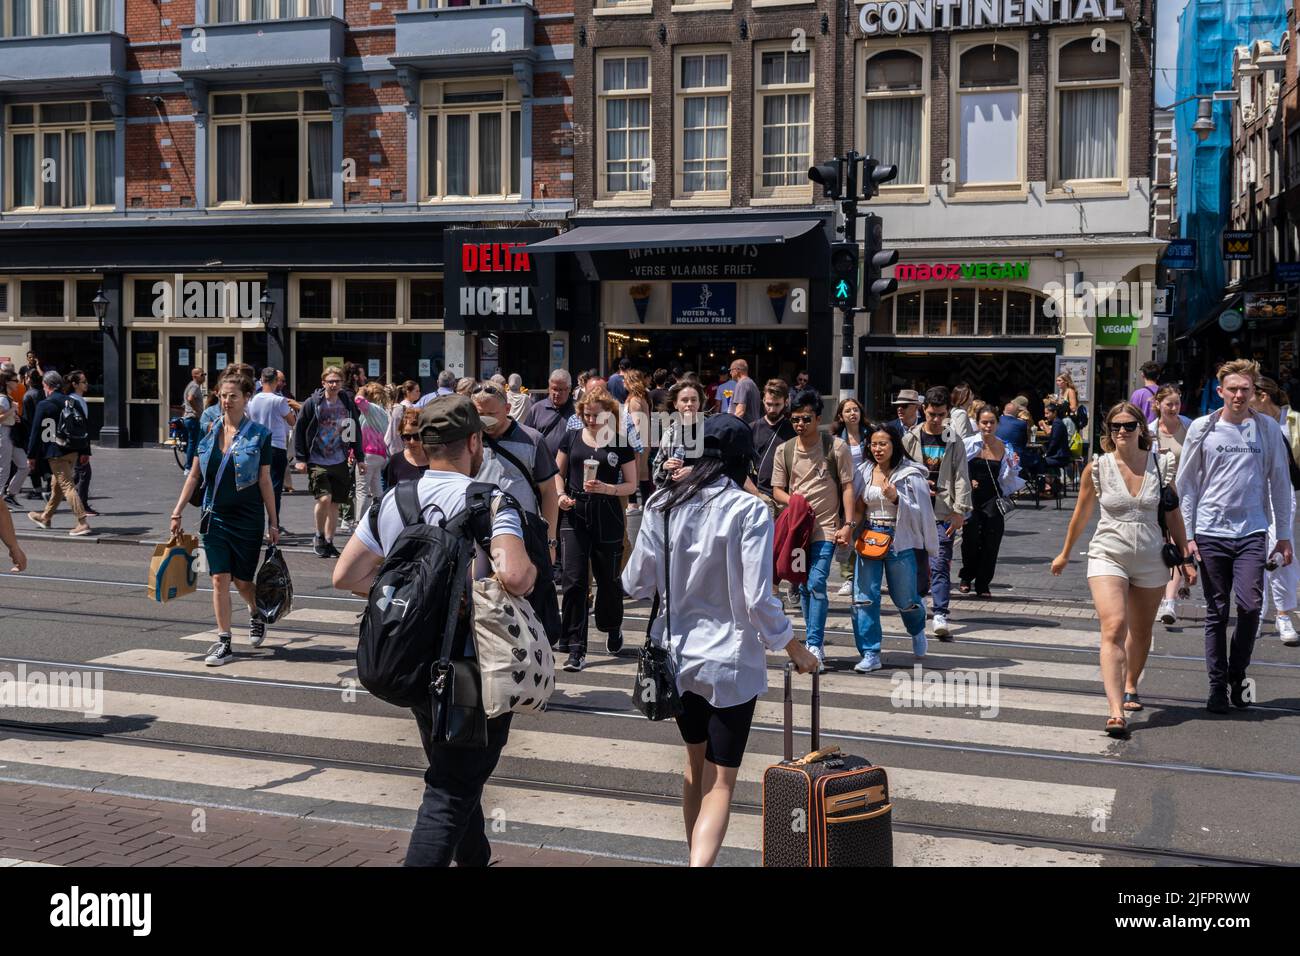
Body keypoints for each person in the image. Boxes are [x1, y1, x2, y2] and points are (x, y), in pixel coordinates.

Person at [332, 396, 534, 868]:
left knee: (454, 768)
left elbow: (346, 576)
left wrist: (415, 606)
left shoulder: (394, 499)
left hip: (415, 661)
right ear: (473, 442)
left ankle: (475, 859)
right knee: (452, 785)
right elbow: (518, 576)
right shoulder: (487, 500)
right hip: (471, 669)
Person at [622, 415, 818, 866]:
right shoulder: (749, 510)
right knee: (722, 780)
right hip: (729, 661)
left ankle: (695, 857)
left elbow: (634, 583)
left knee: (694, 766)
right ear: (741, 462)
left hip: (675, 654)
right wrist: (795, 648)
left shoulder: (660, 504)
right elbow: (757, 599)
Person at [1052, 402, 1194, 737]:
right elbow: (1081, 515)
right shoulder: (1097, 467)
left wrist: (1186, 558)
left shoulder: (1162, 464)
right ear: (1108, 430)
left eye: (1128, 426)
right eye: (1115, 426)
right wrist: (1065, 553)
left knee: (1141, 631)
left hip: (1151, 557)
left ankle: (1131, 683)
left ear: (1141, 428)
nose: (1121, 432)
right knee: (1114, 626)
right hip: (1108, 554)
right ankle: (1115, 711)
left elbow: (1173, 514)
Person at [1177, 359, 1294, 713]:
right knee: (1216, 611)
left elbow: (1280, 483)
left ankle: (1236, 673)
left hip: (1251, 530)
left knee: (1250, 606)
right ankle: (1216, 687)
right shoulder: (1202, 428)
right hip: (1210, 531)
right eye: (1233, 389)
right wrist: (1187, 536)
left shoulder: (1267, 430)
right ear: (1220, 392)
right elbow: (1187, 485)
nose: (1239, 395)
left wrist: (1284, 535)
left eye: (1246, 389)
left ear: (1254, 392)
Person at [170, 371, 279, 666]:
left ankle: (256, 613)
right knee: (219, 578)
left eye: (233, 396)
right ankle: (224, 641)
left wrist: (273, 520)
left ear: (246, 399)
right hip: (214, 516)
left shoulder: (260, 435)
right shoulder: (208, 430)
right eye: (222, 396)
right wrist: (177, 510)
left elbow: (265, 480)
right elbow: (194, 474)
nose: (227, 401)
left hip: (248, 518)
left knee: (243, 582)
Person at [771, 388, 855, 671]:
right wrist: (792, 500)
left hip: (826, 529)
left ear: (818, 418)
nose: (800, 425)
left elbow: (847, 487)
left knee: (817, 582)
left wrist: (848, 525)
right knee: (804, 585)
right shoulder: (786, 450)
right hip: (798, 529)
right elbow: (777, 490)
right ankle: (811, 639)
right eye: (795, 419)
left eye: (806, 419)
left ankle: (815, 642)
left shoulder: (836, 447)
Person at [555, 387, 638, 670]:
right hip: (575, 513)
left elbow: (632, 484)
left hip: (608, 513)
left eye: (597, 416)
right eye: (587, 415)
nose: (591, 420)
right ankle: (576, 648)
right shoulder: (571, 438)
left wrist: (607, 488)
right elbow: (558, 473)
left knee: (608, 581)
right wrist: (560, 496)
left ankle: (612, 625)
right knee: (575, 581)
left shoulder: (619, 442)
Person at [850, 423, 939, 671]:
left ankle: (916, 627)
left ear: (894, 445)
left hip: (900, 540)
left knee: (906, 598)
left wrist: (896, 498)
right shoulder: (864, 471)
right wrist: (848, 528)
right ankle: (870, 652)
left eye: (883, 444)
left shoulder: (910, 474)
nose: (877, 449)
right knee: (864, 598)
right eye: (873, 444)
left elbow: (922, 513)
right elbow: (858, 508)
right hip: (870, 537)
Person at [902, 386, 970, 639]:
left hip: (943, 512)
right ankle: (919, 601)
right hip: (916, 511)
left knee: (940, 562)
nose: (936, 419)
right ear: (923, 410)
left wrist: (959, 510)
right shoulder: (910, 439)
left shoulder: (953, 439)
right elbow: (900, 471)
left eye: (941, 414)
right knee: (918, 564)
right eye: (932, 414)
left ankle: (940, 611)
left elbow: (962, 475)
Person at [472, 381, 559, 572]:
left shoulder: (533, 440)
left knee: (516, 590)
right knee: (477, 593)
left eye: (491, 414)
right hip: (477, 532)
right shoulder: (470, 439)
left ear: (507, 408)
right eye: (480, 414)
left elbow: (549, 493)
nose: (485, 420)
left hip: (519, 532)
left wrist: (550, 541)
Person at [294, 365, 364, 558]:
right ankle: (318, 536)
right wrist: (300, 458)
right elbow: (300, 430)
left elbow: (355, 429)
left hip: (340, 458)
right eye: (330, 381)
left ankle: (329, 541)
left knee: (335, 504)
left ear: (342, 383)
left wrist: (360, 457)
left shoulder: (347, 402)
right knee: (324, 499)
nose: (334, 384)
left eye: (337, 381)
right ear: (323, 382)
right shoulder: (313, 403)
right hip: (317, 459)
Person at [1251, 377, 1300, 646]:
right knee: (1254, 549)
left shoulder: (1294, 422)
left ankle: (1282, 615)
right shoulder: (1247, 423)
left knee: (1282, 551)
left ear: (1263, 395)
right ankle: (1256, 612)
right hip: (1254, 492)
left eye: (1248, 393)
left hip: (1285, 492)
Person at [959, 405, 1024, 598]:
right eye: (984, 422)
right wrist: (967, 480)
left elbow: (1008, 476)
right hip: (970, 498)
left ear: (997, 424)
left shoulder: (1004, 446)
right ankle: (966, 576)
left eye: (992, 422)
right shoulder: (968, 444)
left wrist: (1014, 465)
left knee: (992, 540)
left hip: (992, 498)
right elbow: (957, 467)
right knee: (970, 539)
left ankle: (983, 582)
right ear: (977, 424)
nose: (988, 426)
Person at [25, 371, 91, 536]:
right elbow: (84, 426)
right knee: (57, 486)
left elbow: (35, 432)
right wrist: (85, 451)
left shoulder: (44, 404)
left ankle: (82, 521)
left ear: (47, 386)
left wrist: (31, 456)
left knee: (67, 486)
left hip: (55, 452)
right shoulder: (71, 401)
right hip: (73, 450)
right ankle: (45, 517)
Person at [1150, 384, 1194, 625]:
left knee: (1178, 546)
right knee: (1163, 547)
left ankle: (1169, 602)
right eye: (1169, 404)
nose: (1174, 408)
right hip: (1159, 497)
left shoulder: (1189, 427)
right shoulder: (1149, 431)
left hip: (1184, 497)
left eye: (1177, 403)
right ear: (1158, 405)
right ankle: (1163, 597)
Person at [247, 367, 296, 530]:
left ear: (262, 380)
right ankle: (273, 525)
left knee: (257, 486)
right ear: (275, 381)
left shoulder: (252, 400)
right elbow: (291, 421)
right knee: (274, 488)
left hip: (257, 445)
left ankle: (257, 524)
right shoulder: (279, 400)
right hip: (276, 446)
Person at [831, 397, 867, 596]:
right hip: (844, 490)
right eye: (848, 411)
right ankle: (848, 577)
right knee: (846, 530)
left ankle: (863, 576)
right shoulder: (835, 439)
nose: (853, 413)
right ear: (841, 416)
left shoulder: (870, 435)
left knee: (864, 532)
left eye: (856, 409)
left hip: (866, 488)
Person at [750, 379, 795, 512]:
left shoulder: (792, 430)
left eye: (777, 404)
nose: (772, 409)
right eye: (769, 404)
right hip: (755, 494)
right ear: (763, 400)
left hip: (782, 496)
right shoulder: (752, 428)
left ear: (786, 402)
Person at [652, 379, 705, 490]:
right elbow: (655, 473)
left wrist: (694, 471)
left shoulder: (711, 430)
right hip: (674, 497)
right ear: (675, 404)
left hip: (704, 497)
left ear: (699, 403)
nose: (689, 404)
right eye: (685, 400)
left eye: (694, 400)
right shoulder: (669, 433)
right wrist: (665, 466)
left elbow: (723, 468)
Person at [354, 382, 393, 523]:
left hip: (367, 454)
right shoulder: (383, 411)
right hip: (380, 454)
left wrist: (361, 391)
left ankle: (360, 521)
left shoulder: (371, 409)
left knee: (362, 489)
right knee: (377, 488)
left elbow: (358, 400)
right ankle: (380, 516)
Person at [521, 368, 576, 459]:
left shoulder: (578, 410)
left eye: (561, 390)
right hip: (542, 466)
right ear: (549, 388)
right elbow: (526, 438)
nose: (557, 393)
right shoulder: (536, 409)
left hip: (570, 467)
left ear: (569, 389)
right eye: (554, 389)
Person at [65, 371, 97, 517]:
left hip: (77, 443)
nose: (86, 384)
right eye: (83, 382)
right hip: (77, 444)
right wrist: (84, 449)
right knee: (84, 473)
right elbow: (78, 426)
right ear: (75, 384)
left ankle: (60, 496)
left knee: (78, 474)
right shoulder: (73, 400)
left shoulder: (79, 400)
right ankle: (82, 506)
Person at [623, 369, 653, 510]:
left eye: (625, 380)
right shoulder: (643, 398)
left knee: (633, 471)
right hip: (645, 438)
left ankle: (633, 502)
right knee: (643, 472)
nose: (623, 383)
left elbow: (636, 423)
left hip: (637, 439)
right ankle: (645, 501)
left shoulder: (634, 400)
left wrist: (633, 442)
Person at [0, 369, 30, 509]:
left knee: (25, 465)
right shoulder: (2, 399)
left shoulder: (9, 398)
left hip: (11, 435)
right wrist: (12, 411)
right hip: (4, 435)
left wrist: (15, 416)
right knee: (4, 469)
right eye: (15, 380)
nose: (18, 383)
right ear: (6, 382)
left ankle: (10, 495)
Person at [382, 407, 429, 490]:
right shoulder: (395, 461)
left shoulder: (436, 460)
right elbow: (391, 493)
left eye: (416, 436)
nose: (412, 441)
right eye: (406, 437)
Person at [1038, 401, 1073, 498]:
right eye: (1045, 413)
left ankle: (1046, 488)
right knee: (1043, 462)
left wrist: (1047, 454)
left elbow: (1054, 441)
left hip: (1060, 456)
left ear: (1054, 413)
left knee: (1040, 463)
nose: (1046, 416)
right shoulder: (1057, 422)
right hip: (1059, 454)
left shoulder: (1057, 423)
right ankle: (1053, 486)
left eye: (1047, 413)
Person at [182, 367, 206, 471]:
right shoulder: (195, 386)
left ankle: (189, 465)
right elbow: (190, 398)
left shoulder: (191, 385)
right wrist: (197, 411)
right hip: (193, 418)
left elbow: (186, 401)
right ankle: (189, 467)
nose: (204, 376)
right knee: (194, 442)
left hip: (189, 418)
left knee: (191, 442)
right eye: (202, 375)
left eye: (204, 374)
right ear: (195, 376)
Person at [728, 359, 761, 426]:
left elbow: (740, 412)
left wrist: (731, 427)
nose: (730, 373)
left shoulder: (742, 384)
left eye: (731, 370)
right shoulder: (752, 384)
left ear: (737, 370)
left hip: (744, 429)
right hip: (753, 427)